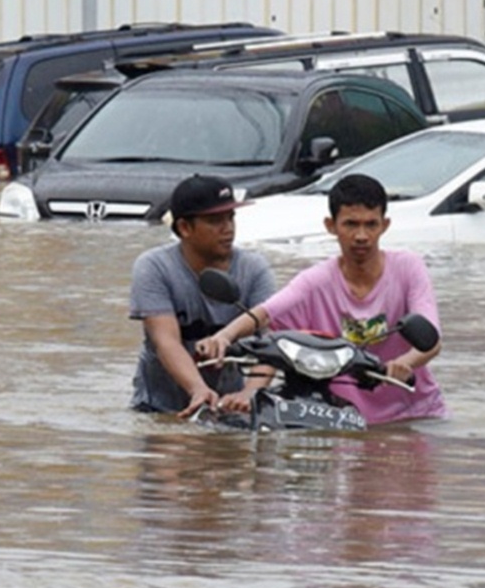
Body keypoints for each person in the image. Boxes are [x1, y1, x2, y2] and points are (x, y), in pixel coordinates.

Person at [197, 173, 446, 426]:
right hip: (338, 417)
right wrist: (224, 337)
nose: (361, 236)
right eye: (351, 224)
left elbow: (431, 339)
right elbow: (267, 315)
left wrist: (403, 364)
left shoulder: (408, 268)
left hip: (413, 415)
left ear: (385, 225)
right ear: (331, 226)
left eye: (371, 224)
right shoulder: (315, 280)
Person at [129, 175, 277, 418]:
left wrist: (250, 394)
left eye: (231, 218)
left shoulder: (254, 269)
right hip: (160, 407)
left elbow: (272, 343)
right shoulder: (154, 267)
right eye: (215, 220)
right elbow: (165, 341)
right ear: (185, 228)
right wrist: (198, 389)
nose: (227, 228)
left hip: (232, 407)